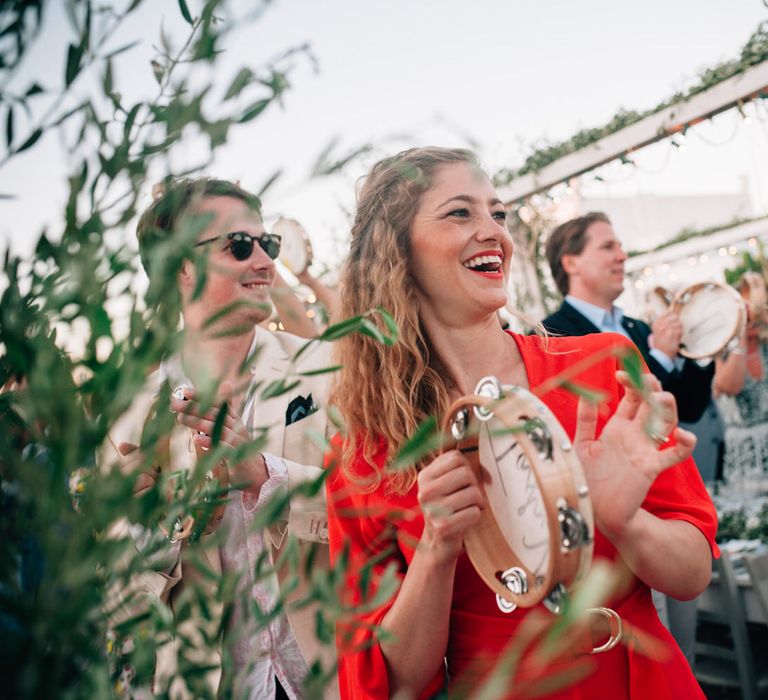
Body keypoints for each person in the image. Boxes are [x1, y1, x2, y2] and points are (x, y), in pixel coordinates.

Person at [326, 147, 718, 700]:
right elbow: (399, 682)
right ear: (396, 252)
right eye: (461, 213)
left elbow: (693, 573)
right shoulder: (365, 453)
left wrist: (624, 521)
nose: (495, 233)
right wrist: (438, 547)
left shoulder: (602, 366)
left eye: (499, 214)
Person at [104, 179, 338, 699]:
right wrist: (153, 529)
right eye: (240, 245)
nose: (264, 262)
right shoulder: (130, 414)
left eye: (267, 244)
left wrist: (266, 477)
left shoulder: (328, 369)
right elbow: (122, 596)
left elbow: (379, 499)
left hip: (332, 674)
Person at [541, 212, 713, 424]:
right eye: (608, 246)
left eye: (620, 246)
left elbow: (689, 409)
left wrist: (701, 346)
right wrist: (660, 358)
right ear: (571, 264)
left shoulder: (638, 328)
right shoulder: (550, 338)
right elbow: (599, 418)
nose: (622, 256)